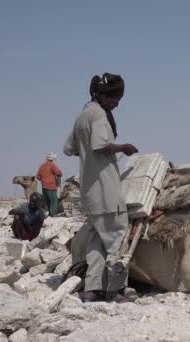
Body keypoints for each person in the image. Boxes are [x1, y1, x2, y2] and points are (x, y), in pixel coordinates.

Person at [63, 73, 138, 303]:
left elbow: (69, 148)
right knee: (117, 238)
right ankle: (115, 290)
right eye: (116, 99)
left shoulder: (82, 115)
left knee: (95, 242)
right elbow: (100, 145)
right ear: (105, 96)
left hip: (89, 192)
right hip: (106, 190)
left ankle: (91, 290)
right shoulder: (98, 115)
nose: (117, 103)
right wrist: (123, 147)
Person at [37, 152, 63, 216]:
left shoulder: (42, 165)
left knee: (46, 202)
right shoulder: (52, 165)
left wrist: (43, 179)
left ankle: (47, 215)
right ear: (53, 159)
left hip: (44, 187)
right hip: (51, 186)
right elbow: (59, 173)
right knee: (54, 201)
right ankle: (53, 215)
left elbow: (38, 176)